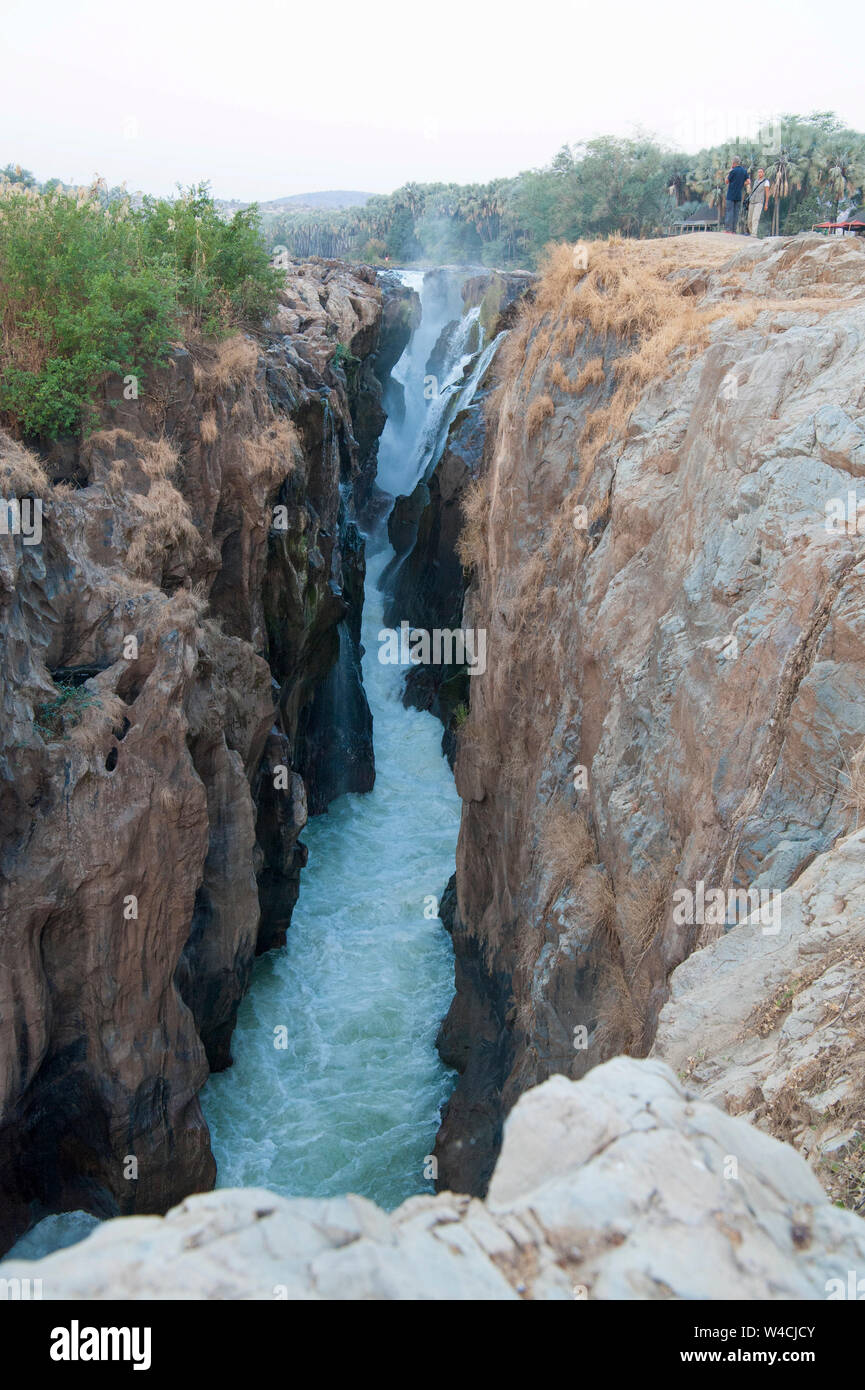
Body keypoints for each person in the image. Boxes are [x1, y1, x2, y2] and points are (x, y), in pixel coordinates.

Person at [724, 157, 750, 233]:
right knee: (736, 213)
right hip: (739, 195)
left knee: (730, 212)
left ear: (734, 163)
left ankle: (728, 229)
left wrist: (730, 171)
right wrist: (742, 183)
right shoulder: (744, 171)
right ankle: (734, 230)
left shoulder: (733, 171)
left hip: (731, 195)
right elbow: (748, 181)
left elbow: (726, 181)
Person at [747, 167, 770, 237]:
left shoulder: (766, 182)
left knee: (755, 218)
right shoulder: (755, 181)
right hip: (752, 201)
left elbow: (767, 194)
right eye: (758, 172)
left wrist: (766, 204)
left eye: (761, 172)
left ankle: (754, 234)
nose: (759, 173)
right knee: (749, 219)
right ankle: (751, 232)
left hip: (759, 202)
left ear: (763, 173)